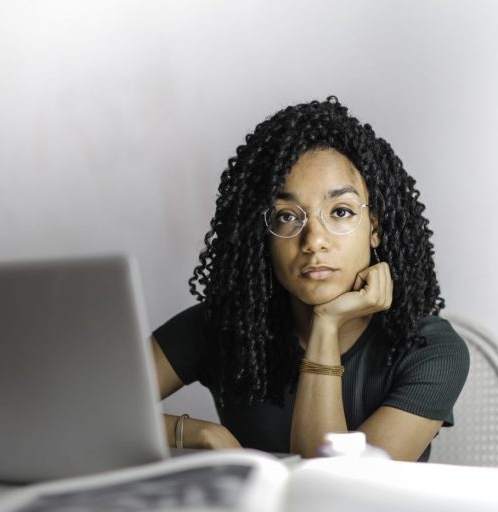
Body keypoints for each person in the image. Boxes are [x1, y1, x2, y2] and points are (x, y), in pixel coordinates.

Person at [152, 96, 469, 462]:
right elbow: (79, 409)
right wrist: (199, 432)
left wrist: (326, 324)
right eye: (287, 216)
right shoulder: (225, 326)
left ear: (375, 229)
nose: (314, 240)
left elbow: (335, 491)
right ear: (264, 236)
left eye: (341, 211)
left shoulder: (430, 349)